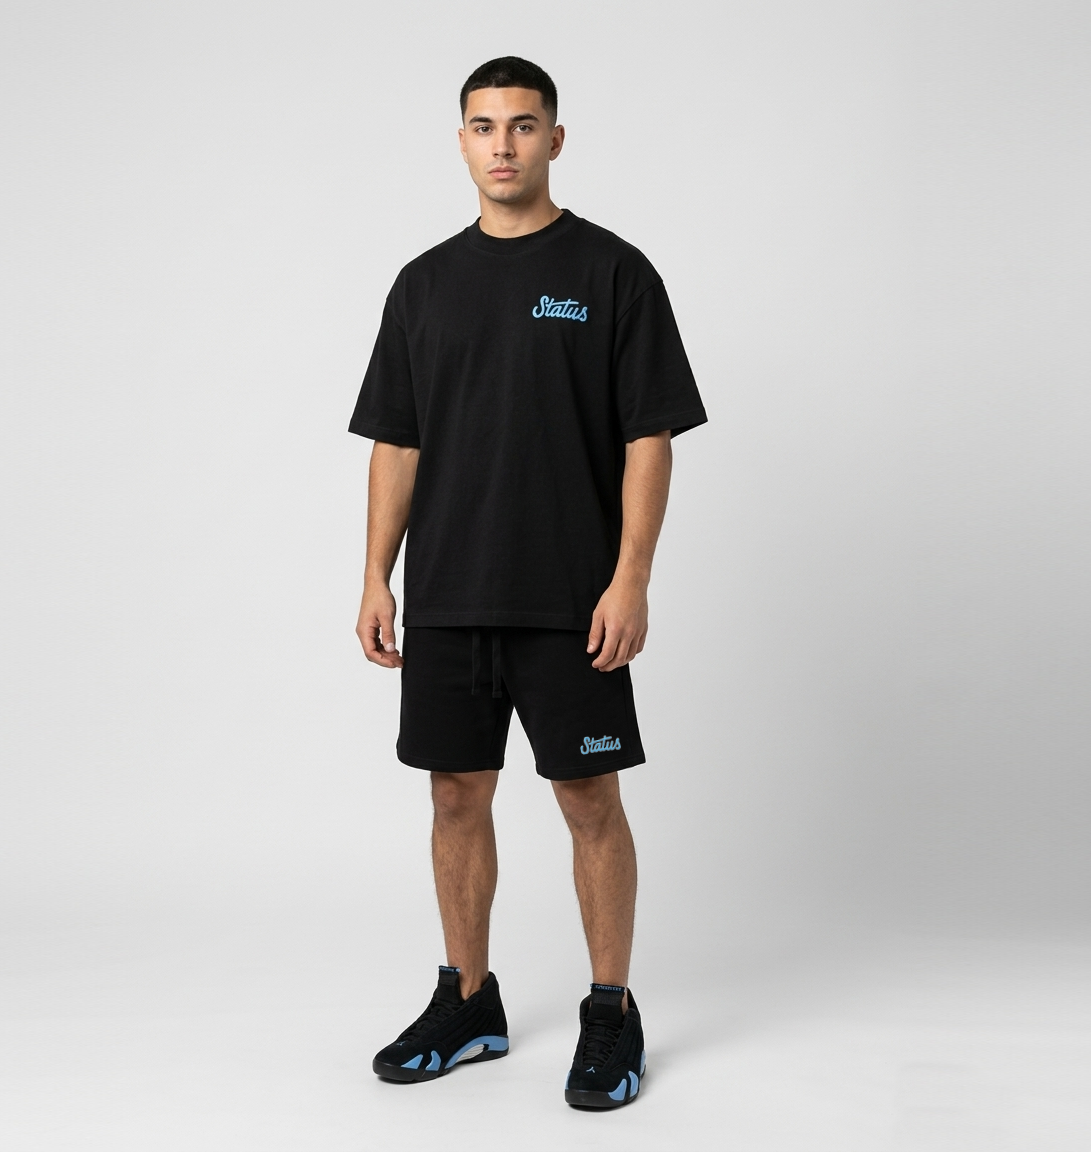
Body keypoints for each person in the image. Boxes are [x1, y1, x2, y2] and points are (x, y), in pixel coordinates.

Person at [349, 56, 706, 1108]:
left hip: (570, 600)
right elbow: (398, 442)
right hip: (450, 594)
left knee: (588, 798)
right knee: (454, 793)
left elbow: (650, 438)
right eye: (482, 125)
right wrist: (375, 576)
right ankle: (469, 1001)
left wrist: (631, 579)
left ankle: (612, 1010)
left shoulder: (613, 273)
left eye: (521, 124)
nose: (501, 143)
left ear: (555, 138)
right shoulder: (423, 285)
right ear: (461, 140)